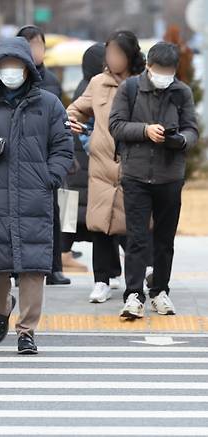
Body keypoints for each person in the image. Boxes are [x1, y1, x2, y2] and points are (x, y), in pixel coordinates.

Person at [0, 37, 74, 354]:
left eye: (17, 65)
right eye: (5, 65)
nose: (11, 71)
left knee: (34, 266)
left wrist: (49, 177)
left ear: (27, 68)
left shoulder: (48, 104)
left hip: (35, 198)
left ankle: (27, 331)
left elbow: (63, 148)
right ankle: (3, 308)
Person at [109, 41, 198, 319]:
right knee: (136, 238)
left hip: (170, 176)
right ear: (148, 66)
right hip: (136, 175)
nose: (164, 75)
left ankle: (160, 291)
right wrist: (145, 131)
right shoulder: (130, 88)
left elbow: (192, 129)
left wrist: (180, 139)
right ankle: (133, 294)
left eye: (169, 70)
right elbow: (116, 125)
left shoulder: (181, 92)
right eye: (159, 69)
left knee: (164, 240)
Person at [67, 31, 146, 304]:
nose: (111, 59)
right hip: (101, 166)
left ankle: (137, 280)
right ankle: (101, 281)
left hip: (133, 166)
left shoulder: (142, 84)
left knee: (135, 226)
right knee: (100, 227)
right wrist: (81, 132)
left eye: (117, 54)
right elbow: (74, 111)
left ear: (130, 56)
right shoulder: (98, 83)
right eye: (109, 54)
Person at [16, 25, 69, 286]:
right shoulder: (8, 80)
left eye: (39, 45)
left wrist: (54, 170)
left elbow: (60, 125)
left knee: (50, 215)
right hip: (15, 161)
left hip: (44, 161)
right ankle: (16, 268)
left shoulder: (51, 82)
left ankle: (53, 266)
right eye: (29, 45)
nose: (35, 50)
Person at [61, 43, 106, 273]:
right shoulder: (92, 89)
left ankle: (64, 252)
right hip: (82, 162)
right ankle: (63, 253)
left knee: (72, 208)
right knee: (73, 208)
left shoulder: (85, 86)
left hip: (78, 160)